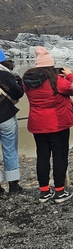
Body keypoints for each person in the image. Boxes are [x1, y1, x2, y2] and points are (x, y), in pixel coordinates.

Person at [23, 47, 73, 203]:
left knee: (42, 157)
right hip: (58, 124)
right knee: (60, 156)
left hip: (37, 124)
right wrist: (70, 75)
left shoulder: (27, 81)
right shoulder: (57, 81)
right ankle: (59, 192)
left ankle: (44, 192)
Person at [0, 49, 25, 195]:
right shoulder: (4, 74)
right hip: (5, 116)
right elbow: (18, 93)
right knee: (10, 150)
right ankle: (14, 186)